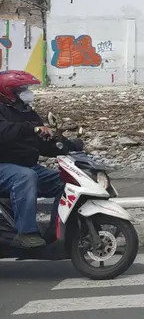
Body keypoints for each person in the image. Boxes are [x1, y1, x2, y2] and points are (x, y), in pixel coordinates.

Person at [0, 70, 66, 248]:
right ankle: (26, 233)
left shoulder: (27, 112)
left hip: (27, 165)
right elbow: (5, 132)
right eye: (22, 89)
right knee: (25, 177)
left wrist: (66, 145)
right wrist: (32, 129)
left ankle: (55, 230)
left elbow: (41, 142)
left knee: (66, 182)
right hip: (4, 166)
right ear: (8, 91)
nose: (27, 92)